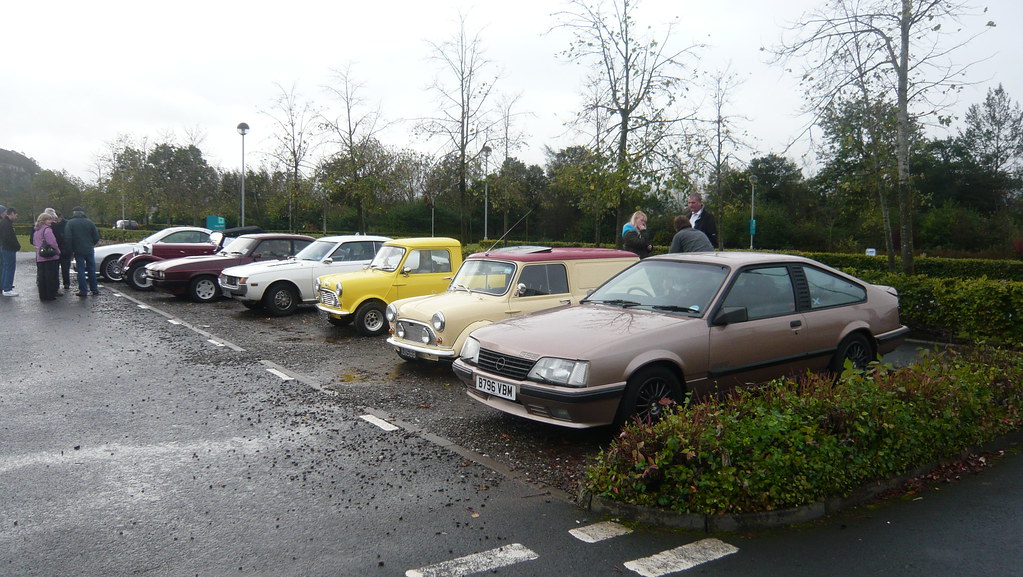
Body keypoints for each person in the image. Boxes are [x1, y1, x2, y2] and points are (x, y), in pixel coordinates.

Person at [65, 206, 101, 296]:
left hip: (78, 250)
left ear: (74, 213)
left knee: (80, 270)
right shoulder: (90, 222)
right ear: (82, 212)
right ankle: (94, 289)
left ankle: (83, 290)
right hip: (89, 249)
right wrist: (91, 244)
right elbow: (96, 236)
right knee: (91, 269)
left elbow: (68, 237)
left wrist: (71, 249)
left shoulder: (70, 223)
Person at [32, 212, 61, 301]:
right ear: (44, 220)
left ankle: (42, 295)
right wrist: (58, 251)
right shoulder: (47, 230)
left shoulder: (36, 230)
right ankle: (50, 295)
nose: (51, 221)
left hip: (40, 257)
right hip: (49, 257)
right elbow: (52, 242)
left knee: (42, 277)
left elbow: (34, 242)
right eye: (49, 219)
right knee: (50, 277)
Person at [47, 209, 72, 295]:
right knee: (60, 268)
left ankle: (66, 283)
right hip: (62, 249)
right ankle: (64, 283)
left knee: (63, 268)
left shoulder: (53, 225)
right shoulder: (66, 223)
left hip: (62, 249)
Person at [0, 205, 20, 297]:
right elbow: (8, 238)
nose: (16, 217)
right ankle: (7, 289)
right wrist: (17, 246)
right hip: (8, 249)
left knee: (5, 268)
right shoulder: (7, 224)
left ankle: (4, 286)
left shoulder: (4, 223)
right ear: (11, 214)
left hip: (5, 248)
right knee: (10, 268)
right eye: (15, 215)